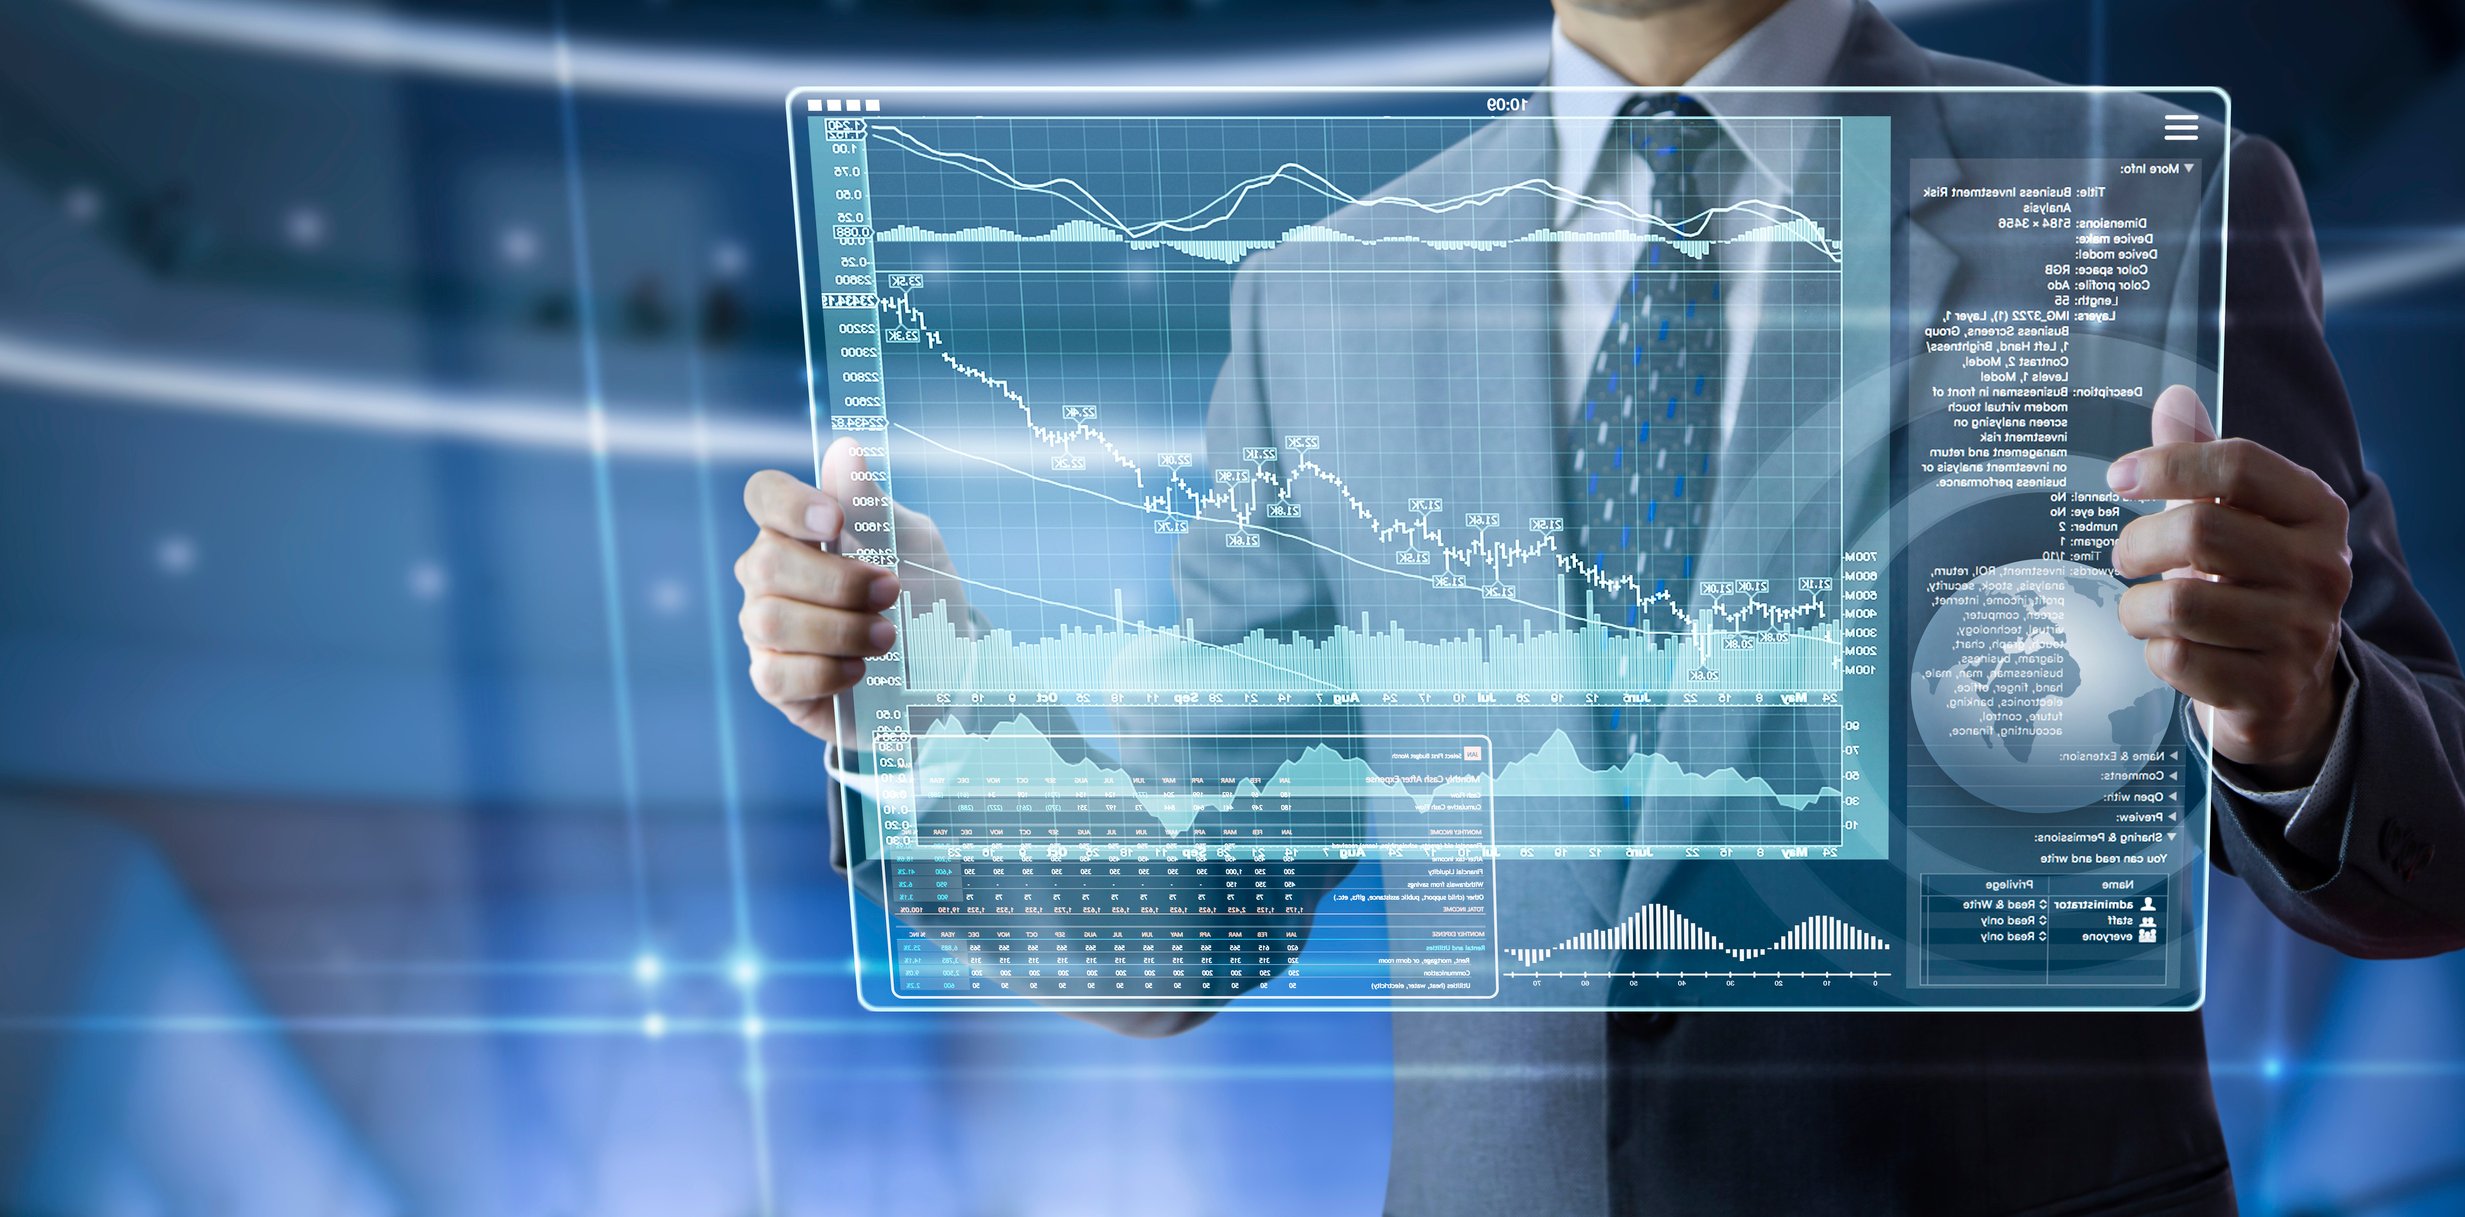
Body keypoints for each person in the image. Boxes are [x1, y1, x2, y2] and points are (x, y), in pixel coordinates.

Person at [734, 1, 2465, 1211]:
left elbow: (2434, 849)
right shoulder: (1322, 303)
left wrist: (2296, 717)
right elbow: (1194, 908)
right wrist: (920, 707)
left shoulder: (2150, 198)